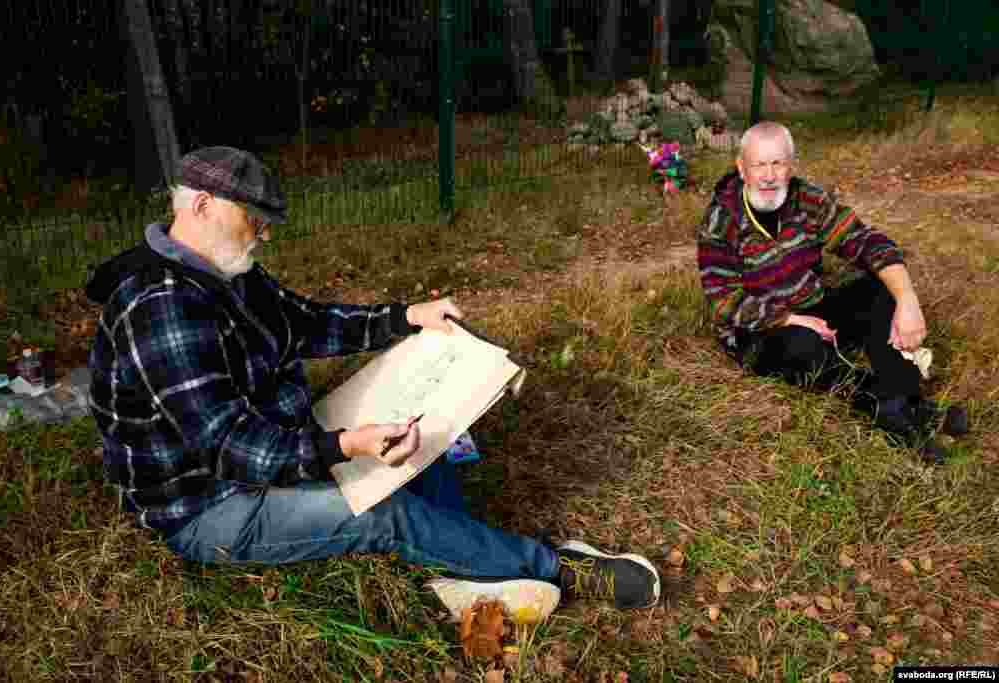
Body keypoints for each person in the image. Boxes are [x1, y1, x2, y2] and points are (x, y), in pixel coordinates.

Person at [86, 146, 660, 618]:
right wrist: (343, 447)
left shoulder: (223, 269)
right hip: (211, 504)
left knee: (428, 430)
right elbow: (231, 449)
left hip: (275, 438)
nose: (263, 233)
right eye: (253, 219)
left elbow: (305, 322)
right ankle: (559, 568)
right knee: (385, 516)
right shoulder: (159, 304)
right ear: (203, 206)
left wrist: (404, 317)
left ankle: (467, 569)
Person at [696, 122, 968, 463]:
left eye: (777, 164)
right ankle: (889, 409)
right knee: (803, 346)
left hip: (813, 305)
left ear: (790, 166)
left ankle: (904, 397)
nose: (768, 176)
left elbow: (865, 240)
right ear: (741, 168)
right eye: (759, 165)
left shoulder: (807, 199)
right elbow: (722, 299)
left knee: (879, 289)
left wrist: (907, 299)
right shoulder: (720, 220)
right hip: (759, 330)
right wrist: (790, 319)